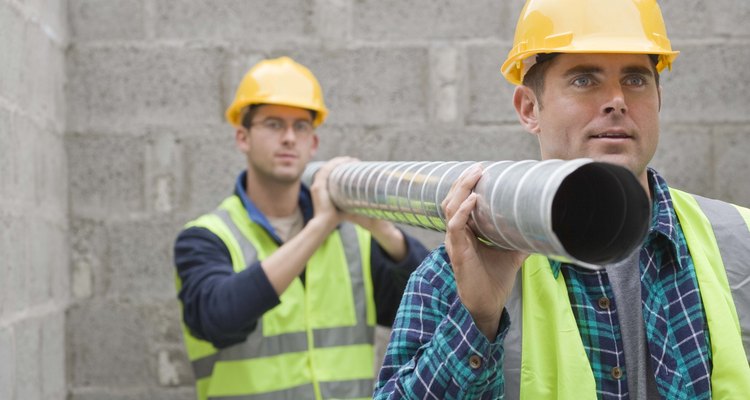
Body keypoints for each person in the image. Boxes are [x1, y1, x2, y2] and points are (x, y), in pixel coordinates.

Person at [374, 1, 750, 399]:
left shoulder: (739, 240)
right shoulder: (460, 268)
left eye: (636, 79)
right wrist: (478, 320)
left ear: (659, 98)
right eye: (584, 80)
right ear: (529, 108)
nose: (617, 100)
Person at [173, 56, 428, 400]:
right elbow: (220, 317)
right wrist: (320, 226)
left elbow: (430, 304)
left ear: (314, 144)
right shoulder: (205, 238)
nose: (289, 138)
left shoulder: (353, 238)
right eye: (274, 124)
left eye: (301, 127)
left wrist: (383, 230)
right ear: (242, 137)